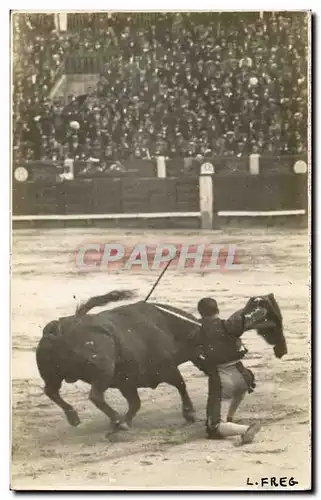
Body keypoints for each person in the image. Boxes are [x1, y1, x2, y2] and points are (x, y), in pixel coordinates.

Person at [197, 297, 261, 444]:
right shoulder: (230, 324)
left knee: (213, 428)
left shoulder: (199, 330)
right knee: (237, 392)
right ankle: (230, 418)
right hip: (243, 376)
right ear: (218, 310)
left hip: (223, 379)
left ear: (201, 314)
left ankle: (245, 430)